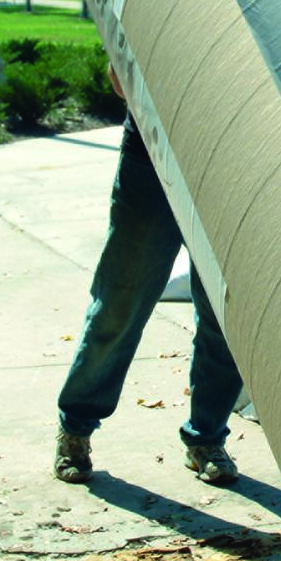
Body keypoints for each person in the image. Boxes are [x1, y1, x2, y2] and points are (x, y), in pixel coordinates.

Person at [54, 65, 245, 487]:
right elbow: (118, 80)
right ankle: (75, 428)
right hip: (153, 153)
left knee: (223, 313)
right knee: (121, 299)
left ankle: (207, 440)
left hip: (230, 161)